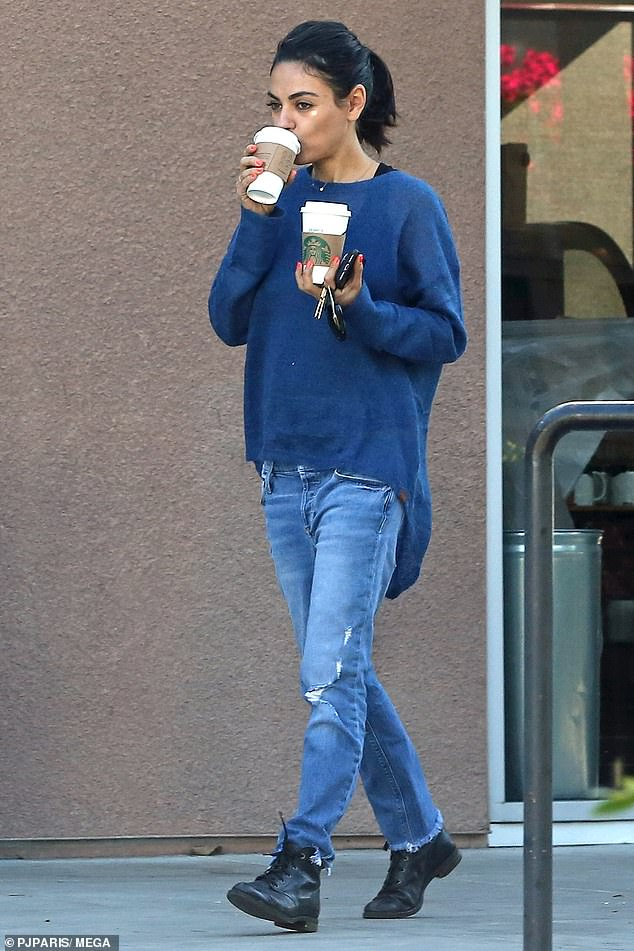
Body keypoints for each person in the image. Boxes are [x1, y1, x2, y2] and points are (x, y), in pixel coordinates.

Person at [208, 19, 467, 935]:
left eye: (304, 104)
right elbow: (228, 319)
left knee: (327, 671)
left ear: (353, 103)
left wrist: (362, 305)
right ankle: (420, 837)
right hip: (285, 466)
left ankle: (303, 856)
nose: (285, 121)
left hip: (366, 467)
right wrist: (256, 217)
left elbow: (445, 332)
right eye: (276, 105)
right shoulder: (280, 206)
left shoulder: (407, 205)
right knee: (339, 667)